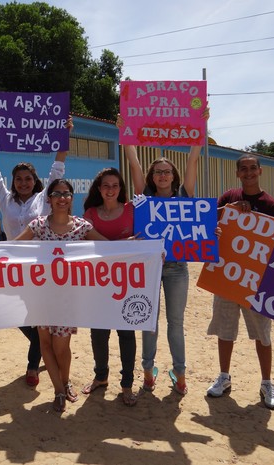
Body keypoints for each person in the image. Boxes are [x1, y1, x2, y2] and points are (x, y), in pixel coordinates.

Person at [0, 116, 72, 388]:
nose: (22, 182)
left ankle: (33, 366)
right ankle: (41, 347)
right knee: (16, 314)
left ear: (35, 181)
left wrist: (64, 136)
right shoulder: (4, 199)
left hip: (43, 267)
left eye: (27, 178)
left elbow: (58, 169)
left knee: (37, 314)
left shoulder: (44, 199)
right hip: (14, 265)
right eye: (18, 179)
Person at [120, 114, 203, 396]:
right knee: (149, 322)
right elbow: (134, 162)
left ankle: (180, 375)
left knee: (176, 323)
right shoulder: (144, 197)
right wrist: (125, 131)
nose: (163, 175)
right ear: (152, 177)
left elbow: (193, 160)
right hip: (150, 268)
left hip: (178, 267)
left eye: (167, 171)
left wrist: (200, 128)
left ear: (174, 176)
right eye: (158, 172)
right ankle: (148, 372)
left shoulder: (185, 196)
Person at [14, 179, 107, 412]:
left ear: (72, 198)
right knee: (45, 343)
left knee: (61, 347)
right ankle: (58, 390)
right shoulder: (38, 225)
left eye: (66, 194)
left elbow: (109, 248)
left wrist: (136, 247)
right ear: (49, 199)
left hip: (69, 298)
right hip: (42, 295)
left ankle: (65, 383)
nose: (62, 198)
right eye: (56, 193)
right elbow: (12, 246)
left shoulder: (82, 227)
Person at [205, 153, 274, 410]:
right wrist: (227, 212)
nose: (248, 172)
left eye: (252, 168)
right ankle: (224, 377)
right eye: (243, 169)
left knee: (263, 334)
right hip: (226, 274)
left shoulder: (270, 204)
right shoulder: (228, 197)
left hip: (256, 281)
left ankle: (267, 382)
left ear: (260, 171)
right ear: (237, 173)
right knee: (225, 331)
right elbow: (207, 221)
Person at [80, 167, 138, 406]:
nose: (110, 190)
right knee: (99, 333)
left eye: (115, 185)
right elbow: (85, 240)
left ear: (121, 188)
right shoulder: (90, 214)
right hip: (99, 283)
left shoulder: (132, 210)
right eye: (106, 185)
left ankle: (126, 385)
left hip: (129, 281)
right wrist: (121, 245)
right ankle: (101, 377)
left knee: (126, 333)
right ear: (99, 189)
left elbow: (145, 240)